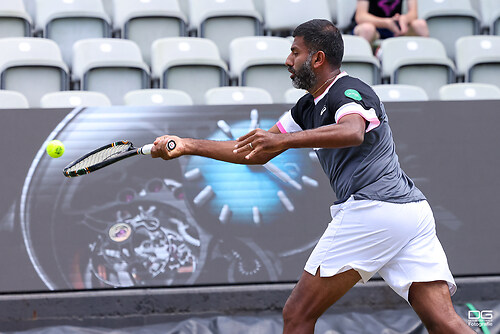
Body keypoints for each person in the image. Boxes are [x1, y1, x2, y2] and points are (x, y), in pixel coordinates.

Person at [151, 19, 473, 334]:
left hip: (373, 210)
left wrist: (284, 140)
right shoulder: (306, 107)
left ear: (317, 59)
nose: (288, 61)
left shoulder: (348, 90)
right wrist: (186, 145)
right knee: (442, 322)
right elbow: (256, 151)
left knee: (296, 315)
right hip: (411, 214)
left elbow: (352, 131)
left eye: (295, 52)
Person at [353, 0, 429, 44]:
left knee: (420, 25)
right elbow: (360, 16)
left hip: (395, 26)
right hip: (373, 27)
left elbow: (413, 14)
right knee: (367, 29)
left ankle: (425, 62)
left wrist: (404, 19)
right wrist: (386, 23)